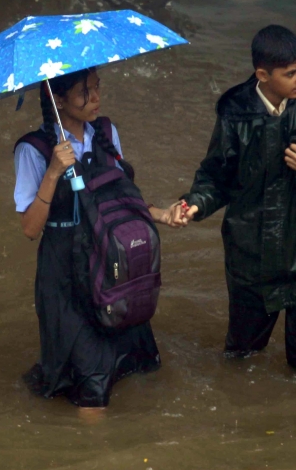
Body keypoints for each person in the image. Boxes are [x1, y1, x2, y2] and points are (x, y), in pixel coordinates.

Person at [167, 25, 296, 371]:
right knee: (242, 353)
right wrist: (196, 202)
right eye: (291, 73)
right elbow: (218, 174)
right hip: (251, 249)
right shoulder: (234, 111)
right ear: (263, 74)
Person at [14, 67, 183, 413]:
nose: (95, 99)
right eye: (83, 92)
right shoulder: (33, 149)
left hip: (110, 266)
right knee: (91, 387)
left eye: (96, 88)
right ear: (58, 101)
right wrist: (53, 172)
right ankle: (96, 456)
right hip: (64, 277)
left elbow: (122, 201)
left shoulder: (105, 133)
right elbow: (30, 229)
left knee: (134, 364)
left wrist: (163, 214)